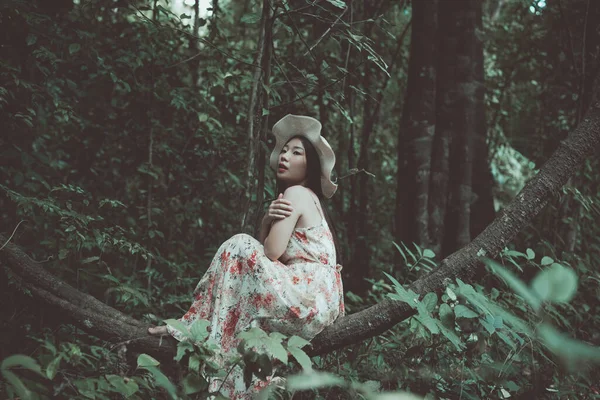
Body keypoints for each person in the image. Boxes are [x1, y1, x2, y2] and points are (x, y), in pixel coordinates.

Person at [148, 114, 344, 399]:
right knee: (243, 279)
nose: (285, 157)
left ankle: (196, 331)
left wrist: (265, 225)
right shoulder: (307, 197)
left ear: (310, 166)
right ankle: (236, 371)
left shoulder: (296, 192)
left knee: (239, 244)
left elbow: (272, 251)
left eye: (296, 152)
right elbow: (272, 256)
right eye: (284, 151)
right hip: (318, 299)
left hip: (306, 294)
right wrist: (266, 222)